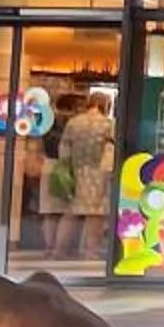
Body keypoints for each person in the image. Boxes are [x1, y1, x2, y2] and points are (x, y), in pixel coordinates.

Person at [51, 89, 114, 264]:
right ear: (104, 105)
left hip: (75, 170)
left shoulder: (74, 122)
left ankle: (60, 249)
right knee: (95, 214)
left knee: (70, 212)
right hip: (97, 173)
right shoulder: (107, 124)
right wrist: (109, 171)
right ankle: (90, 251)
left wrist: (66, 167)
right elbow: (110, 151)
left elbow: (64, 147)